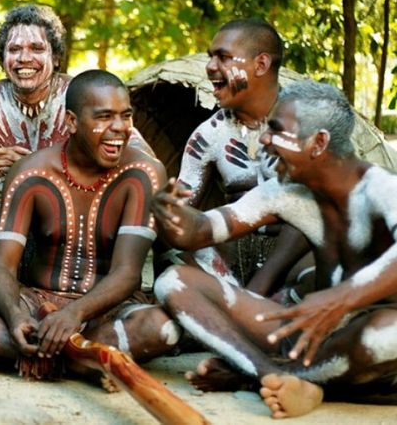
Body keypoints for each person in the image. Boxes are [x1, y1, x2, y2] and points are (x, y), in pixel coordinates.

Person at [153, 80, 397, 418]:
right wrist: (171, 215)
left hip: (371, 341)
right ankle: (268, 374)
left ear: (319, 142)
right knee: (173, 282)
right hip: (308, 339)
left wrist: (340, 299)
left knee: (388, 336)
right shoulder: (286, 191)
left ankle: (268, 377)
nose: (264, 139)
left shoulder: (382, 188)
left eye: (277, 129)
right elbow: (201, 231)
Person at [0, 70, 179, 383]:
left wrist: (74, 314)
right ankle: (84, 360)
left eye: (125, 116)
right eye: (105, 117)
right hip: (37, 303)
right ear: (71, 122)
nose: (119, 129)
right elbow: (3, 268)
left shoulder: (143, 173)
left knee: (162, 327)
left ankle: (19, 355)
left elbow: (127, 273)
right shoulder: (31, 172)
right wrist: (16, 316)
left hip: (106, 313)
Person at [0, 5, 150, 289]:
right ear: (2, 57)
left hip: (75, 235)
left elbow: (145, 162)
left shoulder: (83, 97)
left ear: (55, 56)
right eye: (14, 49)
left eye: (36, 48)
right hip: (5, 233)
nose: (24, 58)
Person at [164, 17, 310, 297]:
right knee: (173, 268)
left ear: (261, 64)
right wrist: (162, 210)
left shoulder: (308, 124)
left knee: (318, 262)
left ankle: (249, 307)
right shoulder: (208, 135)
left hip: (296, 260)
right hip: (233, 263)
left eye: (223, 57)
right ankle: (237, 307)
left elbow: (317, 213)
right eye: (210, 57)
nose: (210, 67)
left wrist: (256, 289)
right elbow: (182, 214)